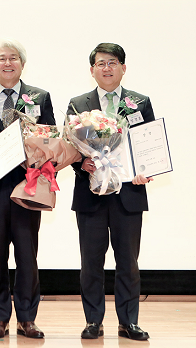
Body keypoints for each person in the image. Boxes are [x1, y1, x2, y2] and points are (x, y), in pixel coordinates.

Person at [0, 39, 55, 339]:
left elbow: (53, 137)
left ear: (22, 64)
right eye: (1, 59)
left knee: (28, 255)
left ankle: (27, 318)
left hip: (28, 185)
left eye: (13, 58)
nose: (7, 63)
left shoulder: (40, 97)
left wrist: (38, 142)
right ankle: (0, 318)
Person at [66, 42, 154, 341]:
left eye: (113, 62)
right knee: (91, 261)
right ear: (92, 70)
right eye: (101, 63)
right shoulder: (78, 104)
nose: (107, 68)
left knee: (128, 261)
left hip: (128, 193)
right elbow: (69, 149)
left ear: (123, 68)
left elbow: (148, 143)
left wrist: (146, 168)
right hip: (90, 194)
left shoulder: (139, 102)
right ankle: (93, 320)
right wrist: (83, 163)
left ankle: (128, 321)